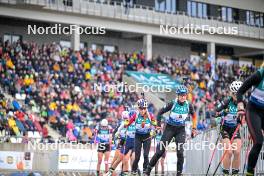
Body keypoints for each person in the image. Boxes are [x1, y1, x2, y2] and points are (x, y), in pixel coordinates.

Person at [145, 85, 197, 176]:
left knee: (180, 153)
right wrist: (158, 125)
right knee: (160, 151)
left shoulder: (189, 105)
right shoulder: (173, 103)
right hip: (170, 128)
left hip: (180, 130)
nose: (183, 97)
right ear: (178, 95)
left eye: (184, 95)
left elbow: (194, 116)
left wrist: (194, 128)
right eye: (181, 95)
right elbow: (160, 112)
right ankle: (148, 170)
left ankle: (179, 174)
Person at [236, 63, 264, 176]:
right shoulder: (259, 74)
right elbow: (240, 91)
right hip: (253, 110)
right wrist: (240, 107)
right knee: (258, 142)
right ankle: (249, 172)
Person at [215, 81, 243, 175]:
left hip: (235, 129)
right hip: (225, 129)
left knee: (238, 152)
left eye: (239, 93)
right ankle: (226, 173)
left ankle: (235, 173)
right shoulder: (227, 102)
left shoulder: (243, 103)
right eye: (235, 94)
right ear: (231, 93)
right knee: (229, 152)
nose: (237, 96)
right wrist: (222, 113)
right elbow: (215, 113)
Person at [125, 98, 157, 175]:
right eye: (141, 109)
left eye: (144, 109)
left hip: (147, 137)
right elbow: (127, 123)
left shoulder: (150, 115)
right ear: (138, 108)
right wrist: (126, 122)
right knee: (137, 157)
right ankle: (133, 171)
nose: (142, 110)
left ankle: (145, 171)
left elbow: (155, 125)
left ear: (146, 108)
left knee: (146, 155)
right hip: (138, 137)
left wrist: (154, 131)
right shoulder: (135, 115)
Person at [105, 110, 135, 176]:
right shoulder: (124, 122)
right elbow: (116, 132)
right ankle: (110, 172)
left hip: (131, 142)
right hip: (122, 142)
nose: (126, 119)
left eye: (126, 117)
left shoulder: (137, 123)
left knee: (129, 159)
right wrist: (116, 136)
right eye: (124, 118)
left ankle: (127, 173)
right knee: (118, 158)